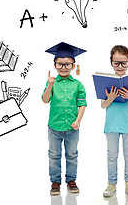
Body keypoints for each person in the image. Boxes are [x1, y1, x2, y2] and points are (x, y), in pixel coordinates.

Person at [42, 42, 87, 196]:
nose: (63, 67)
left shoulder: (78, 85)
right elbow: (45, 100)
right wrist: (49, 85)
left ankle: (71, 180)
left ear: (73, 66)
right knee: (54, 155)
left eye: (67, 64)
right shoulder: (52, 83)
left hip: (72, 128)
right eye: (60, 64)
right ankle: (55, 182)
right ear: (55, 65)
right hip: (54, 127)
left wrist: (78, 121)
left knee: (72, 155)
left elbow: (82, 105)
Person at [101, 45, 128, 199]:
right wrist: (110, 98)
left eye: (123, 63)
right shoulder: (106, 81)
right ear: (111, 63)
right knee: (112, 155)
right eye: (116, 63)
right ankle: (111, 184)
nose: (120, 66)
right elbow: (103, 105)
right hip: (111, 124)